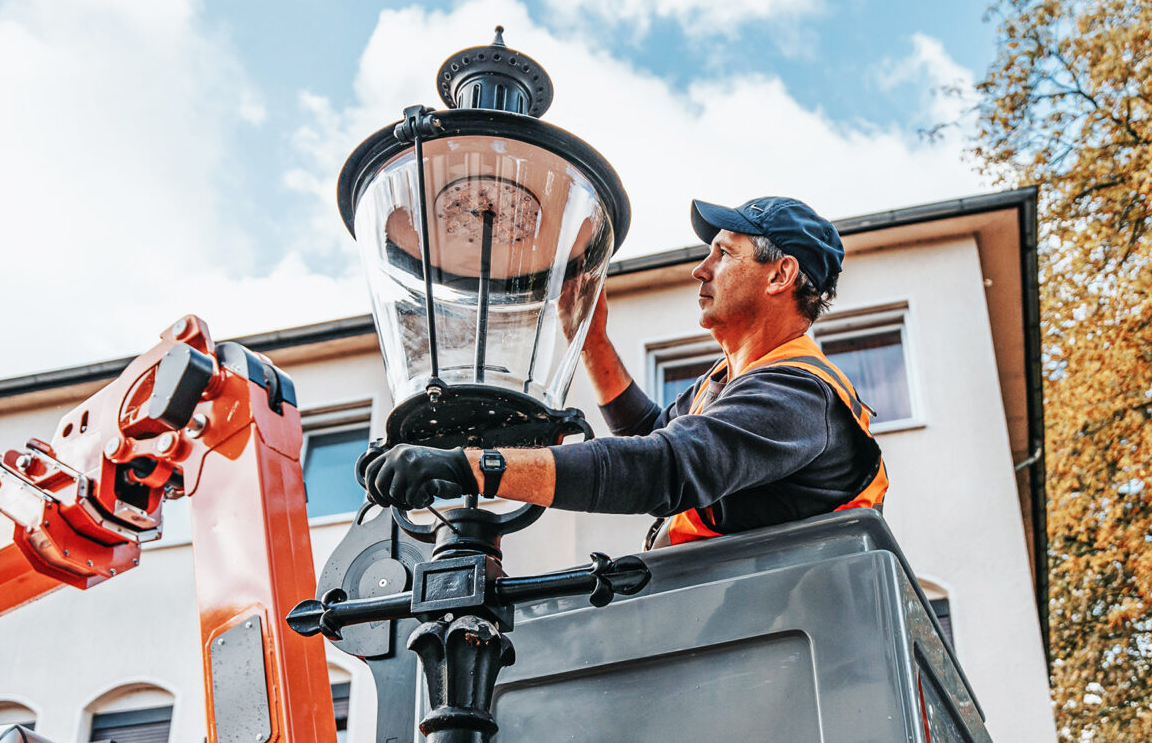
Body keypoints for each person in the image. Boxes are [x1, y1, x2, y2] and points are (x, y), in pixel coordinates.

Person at [360, 196, 887, 548]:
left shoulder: (797, 395)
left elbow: (665, 467)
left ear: (780, 275)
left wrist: (472, 467)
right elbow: (654, 434)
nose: (700, 270)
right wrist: (591, 341)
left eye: (724, 254)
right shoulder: (727, 383)